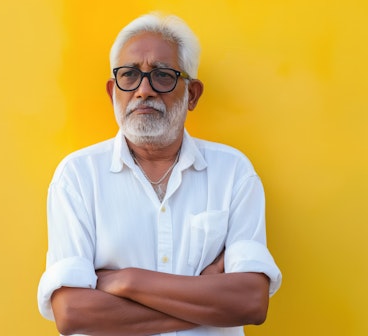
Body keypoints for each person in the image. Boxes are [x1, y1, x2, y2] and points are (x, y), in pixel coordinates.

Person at [37, 12, 282, 336]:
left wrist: (128, 281)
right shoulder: (79, 177)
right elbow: (72, 313)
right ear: (113, 91)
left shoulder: (233, 172)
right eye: (129, 75)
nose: (143, 90)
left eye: (162, 76)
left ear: (192, 94)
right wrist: (206, 299)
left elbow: (250, 301)